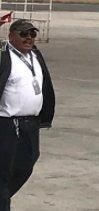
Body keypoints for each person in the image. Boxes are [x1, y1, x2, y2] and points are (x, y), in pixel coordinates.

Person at [0, 20, 55, 209]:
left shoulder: (35, 55)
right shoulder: (3, 55)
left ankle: (2, 196)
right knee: (3, 170)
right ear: (11, 35)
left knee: (25, 166)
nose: (29, 38)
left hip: (31, 123)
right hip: (7, 123)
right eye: (24, 34)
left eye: (32, 34)